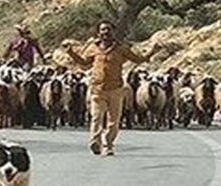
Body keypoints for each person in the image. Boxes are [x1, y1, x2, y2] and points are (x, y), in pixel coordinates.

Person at [63, 20, 158, 156]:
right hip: (97, 88)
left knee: (113, 120)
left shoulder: (121, 48)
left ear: (113, 32)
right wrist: (71, 53)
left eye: (108, 29)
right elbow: (84, 63)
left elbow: (138, 59)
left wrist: (152, 52)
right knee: (96, 117)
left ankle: (108, 145)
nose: (105, 32)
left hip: (116, 89)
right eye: (103, 29)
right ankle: (95, 142)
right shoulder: (93, 48)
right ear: (98, 32)